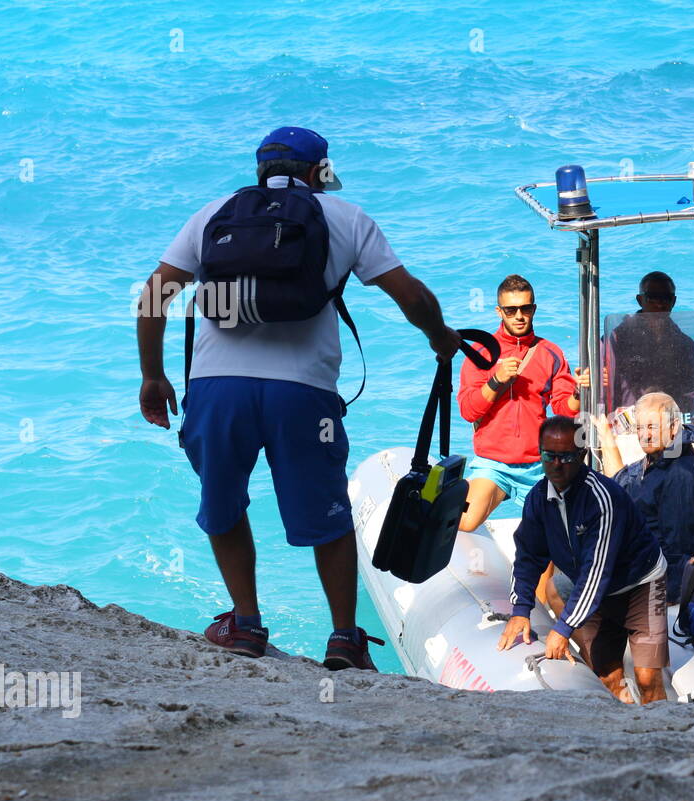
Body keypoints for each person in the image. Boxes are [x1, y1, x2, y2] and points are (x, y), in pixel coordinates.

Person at [136, 126, 460, 671]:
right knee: (328, 516)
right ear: (318, 171)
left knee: (223, 503)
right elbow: (409, 294)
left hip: (219, 390)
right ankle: (343, 639)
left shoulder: (214, 214)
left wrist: (152, 375)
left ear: (260, 167)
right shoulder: (346, 217)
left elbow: (154, 294)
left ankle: (245, 624)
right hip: (303, 395)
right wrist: (441, 339)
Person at [500, 416, 669, 704]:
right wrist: (521, 608)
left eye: (565, 456)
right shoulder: (538, 499)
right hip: (598, 596)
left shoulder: (602, 499)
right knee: (606, 677)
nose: (556, 464)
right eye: (548, 456)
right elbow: (527, 556)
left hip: (641, 585)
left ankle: (666, 736)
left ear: (582, 455)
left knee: (647, 678)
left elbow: (596, 572)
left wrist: (563, 628)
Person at [457, 274, 589, 532]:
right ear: (499, 311)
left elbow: (563, 409)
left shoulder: (550, 352)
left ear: (533, 309)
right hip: (493, 463)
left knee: (553, 532)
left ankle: (545, 572)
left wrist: (579, 392)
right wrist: (496, 380)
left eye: (525, 308)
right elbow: (468, 411)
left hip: (539, 464)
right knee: (466, 520)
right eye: (511, 310)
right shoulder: (481, 353)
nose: (519, 315)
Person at [593, 392, 694, 604]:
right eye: (639, 428)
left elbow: (681, 550)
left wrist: (667, 601)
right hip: (636, 559)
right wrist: (607, 437)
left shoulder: (680, 476)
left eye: (652, 427)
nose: (644, 435)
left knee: (560, 588)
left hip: (653, 579)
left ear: (674, 428)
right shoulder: (656, 458)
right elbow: (621, 482)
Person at [604, 271, 694, 413]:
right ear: (640, 300)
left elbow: (689, 395)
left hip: (669, 423)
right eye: (652, 298)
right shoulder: (616, 340)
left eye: (665, 298)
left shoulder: (685, 345)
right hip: (627, 425)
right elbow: (603, 389)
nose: (659, 304)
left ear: (673, 301)